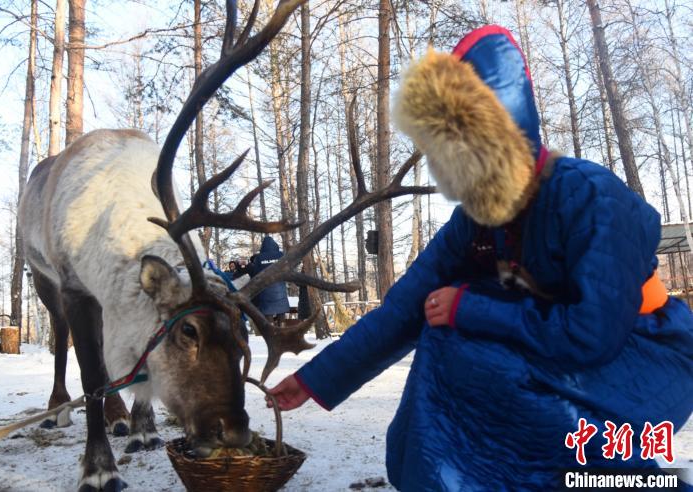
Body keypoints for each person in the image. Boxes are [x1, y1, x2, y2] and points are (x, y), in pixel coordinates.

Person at [269, 25, 693, 490]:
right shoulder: (475, 224)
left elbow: (592, 336)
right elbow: (404, 309)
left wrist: (472, 308)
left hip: (650, 352)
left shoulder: (590, 197)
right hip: (563, 354)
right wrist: (314, 379)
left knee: (502, 376)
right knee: (444, 341)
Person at [251, 236, 290, 323]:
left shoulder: (259, 257)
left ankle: (271, 328)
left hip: (265, 289)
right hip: (279, 287)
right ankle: (282, 328)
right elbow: (286, 269)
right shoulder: (280, 255)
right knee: (281, 309)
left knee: (267, 311)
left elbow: (256, 273)